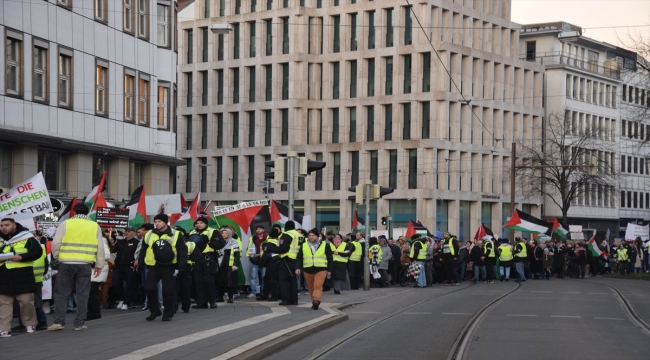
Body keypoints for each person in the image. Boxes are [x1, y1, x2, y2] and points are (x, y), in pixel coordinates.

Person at [48, 204, 104, 331]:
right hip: (85, 264)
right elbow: (100, 247)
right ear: (87, 212)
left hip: (66, 263)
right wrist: (99, 265)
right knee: (83, 293)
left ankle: (58, 322)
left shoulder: (66, 224)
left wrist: (58, 256)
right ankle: (79, 323)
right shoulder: (94, 226)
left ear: (74, 212)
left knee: (61, 293)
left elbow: (56, 243)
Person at [137, 214, 188, 321]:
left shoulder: (176, 234)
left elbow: (182, 252)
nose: (157, 223)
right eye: (155, 221)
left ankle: (168, 313)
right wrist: (140, 264)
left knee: (167, 291)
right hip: (153, 266)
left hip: (169, 266)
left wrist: (181, 267)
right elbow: (143, 250)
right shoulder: (149, 234)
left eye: (159, 221)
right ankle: (154, 310)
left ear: (165, 222)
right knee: (149, 288)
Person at [0, 218, 43, 337]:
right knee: (4, 303)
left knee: (26, 302)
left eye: (7, 225)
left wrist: (22, 257)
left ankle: (29, 324)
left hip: (23, 274)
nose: (4, 227)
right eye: (2, 225)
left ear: (14, 226)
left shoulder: (26, 237)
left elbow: (37, 252)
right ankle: (4, 329)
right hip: (3, 274)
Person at [189, 217, 225, 309]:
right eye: (197, 223)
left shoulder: (213, 232)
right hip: (197, 259)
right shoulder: (193, 233)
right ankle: (202, 302)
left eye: (201, 222)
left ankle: (212, 301)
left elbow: (220, 245)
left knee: (209, 281)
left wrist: (209, 241)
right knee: (198, 282)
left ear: (205, 223)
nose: (199, 224)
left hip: (209, 259)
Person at [296, 228, 333, 310]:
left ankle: (316, 300)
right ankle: (314, 302)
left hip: (321, 268)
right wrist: (297, 267)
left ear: (317, 236)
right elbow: (299, 257)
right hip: (308, 269)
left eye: (313, 235)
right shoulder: (304, 245)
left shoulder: (325, 244)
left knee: (317, 285)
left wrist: (330, 270)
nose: (311, 237)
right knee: (311, 287)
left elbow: (330, 258)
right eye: (310, 235)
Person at [112, 226, 139, 311]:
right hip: (119, 266)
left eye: (129, 231)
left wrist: (135, 263)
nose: (126, 232)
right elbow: (113, 250)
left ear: (133, 232)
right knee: (116, 283)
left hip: (129, 266)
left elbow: (139, 254)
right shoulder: (120, 242)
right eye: (126, 231)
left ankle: (126, 303)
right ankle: (121, 299)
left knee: (129, 285)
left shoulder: (136, 242)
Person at [87, 231, 111, 320]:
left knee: (92, 292)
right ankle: (93, 312)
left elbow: (106, 254)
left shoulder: (101, 240)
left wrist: (94, 262)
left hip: (97, 269)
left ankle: (94, 313)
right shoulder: (101, 240)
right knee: (92, 292)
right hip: (98, 268)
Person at [277, 221, 301, 305]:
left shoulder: (287, 235)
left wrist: (274, 250)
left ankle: (286, 300)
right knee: (293, 281)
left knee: (283, 280)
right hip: (297, 260)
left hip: (286, 259)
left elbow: (283, 248)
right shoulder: (300, 235)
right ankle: (294, 300)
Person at [215, 228, 240, 303]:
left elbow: (237, 256)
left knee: (230, 282)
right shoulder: (219, 242)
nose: (224, 235)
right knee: (220, 282)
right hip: (220, 264)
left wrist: (235, 265)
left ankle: (230, 297)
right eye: (222, 233)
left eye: (226, 233)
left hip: (229, 265)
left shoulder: (234, 243)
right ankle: (220, 297)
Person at [258, 228, 281, 301]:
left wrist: (261, 262)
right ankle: (269, 295)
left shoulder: (267, 243)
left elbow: (264, 254)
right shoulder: (278, 242)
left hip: (269, 263)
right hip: (277, 262)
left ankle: (272, 295)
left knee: (269, 279)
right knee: (269, 279)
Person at [247, 225, 267, 298]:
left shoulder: (267, 238)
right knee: (253, 277)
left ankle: (264, 292)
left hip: (264, 260)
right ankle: (253, 292)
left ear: (263, 230)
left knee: (264, 277)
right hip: (254, 259)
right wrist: (250, 256)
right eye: (257, 229)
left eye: (260, 229)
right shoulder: (252, 238)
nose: (258, 230)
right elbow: (248, 248)